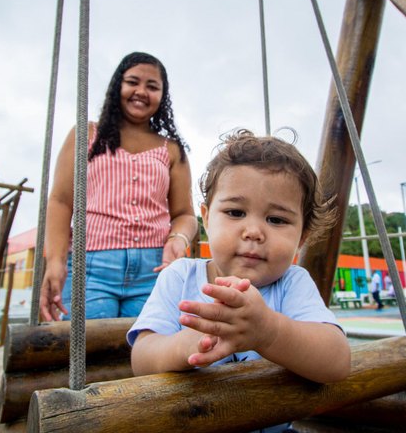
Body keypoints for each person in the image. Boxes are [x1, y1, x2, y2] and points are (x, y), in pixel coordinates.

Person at [127, 130, 351, 386]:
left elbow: (337, 363)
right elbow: (141, 361)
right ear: (207, 218)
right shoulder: (179, 276)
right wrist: (182, 346)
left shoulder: (292, 283)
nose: (253, 232)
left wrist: (269, 332)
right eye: (235, 212)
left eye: (276, 219)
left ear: (302, 237)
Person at [40, 52, 198, 321]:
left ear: (162, 96)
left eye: (152, 86)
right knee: (87, 344)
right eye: (133, 82)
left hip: (154, 270)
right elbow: (61, 202)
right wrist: (55, 261)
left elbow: (184, 214)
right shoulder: (86, 134)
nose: (141, 92)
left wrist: (178, 239)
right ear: (117, 86)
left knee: (152, 345)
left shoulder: (171, 149)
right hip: (91, 268)